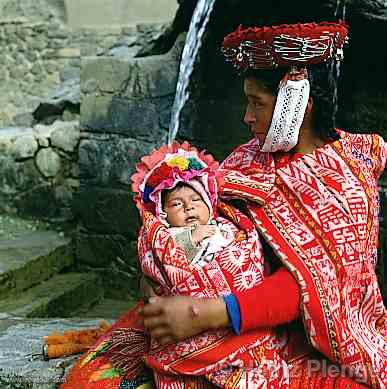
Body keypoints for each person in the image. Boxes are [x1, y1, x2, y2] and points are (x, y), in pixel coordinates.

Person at [140, 21, 387, 388]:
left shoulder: (345, 182)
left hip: (309, 341)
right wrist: (158, 274)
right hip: (232, 317)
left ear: (295, 104)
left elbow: (317, 285)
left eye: (257, 102)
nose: (247, 117)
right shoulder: (249, 159)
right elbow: (193, 220)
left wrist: (204, 313)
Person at [61, 142, 292, 388]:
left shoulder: (227, 227)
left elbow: (247, 257)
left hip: (230, 313)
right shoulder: (166, 237)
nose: (189, 206)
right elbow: (159, 263)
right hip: (180, 318)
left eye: (195, 199)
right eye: (176, 204)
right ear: (163, 214)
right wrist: (189, 241)